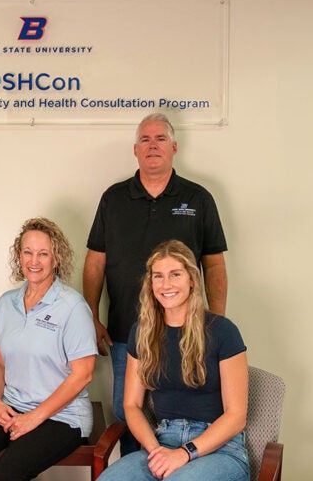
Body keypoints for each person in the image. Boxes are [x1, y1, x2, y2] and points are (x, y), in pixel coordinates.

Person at [83, 113, 228, 454]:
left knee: (180, 413)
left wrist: (215, 321)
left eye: (160, 139)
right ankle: (139, 467)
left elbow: (215, 263)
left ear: (174, 147)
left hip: (186, 332)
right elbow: (95, 261)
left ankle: (180, 466)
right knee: (126, 411)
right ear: (135, 150)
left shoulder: (198, 198)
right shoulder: (113, 198)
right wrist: (91, 315)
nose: (152, 145)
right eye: (145, 140)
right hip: (125, 332)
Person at [98, 240, 248, 481]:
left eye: (175, 274)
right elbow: (132, 406)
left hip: (219, 448)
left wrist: (184, 453)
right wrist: (156, 451)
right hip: (162, 440)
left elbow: (236, 416)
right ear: (150, 283)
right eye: (158, 276)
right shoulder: (142, 332)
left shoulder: (223, 331)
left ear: (191, 279)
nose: (165, 284)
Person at [0, 218, 98, 481]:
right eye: (28, 252)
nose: (34, 261)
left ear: (56, 259)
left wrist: (34, 417)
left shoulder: (73, 306)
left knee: (6, 474)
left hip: (63, 416)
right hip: (12, 405)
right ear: (19, 255)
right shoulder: (6, 303)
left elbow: (83, 374)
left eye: (43, 253)